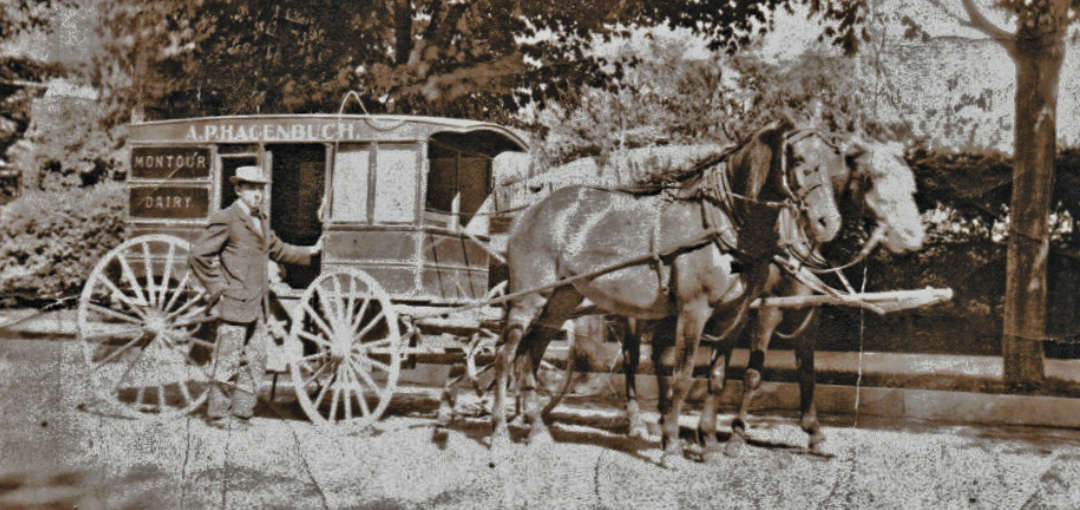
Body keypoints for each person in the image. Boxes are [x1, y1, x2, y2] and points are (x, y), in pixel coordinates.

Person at [188, 165, 322, 428]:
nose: (257, 193)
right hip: (234, 303)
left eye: (260, 188)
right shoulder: (226, 218)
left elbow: (279, 250)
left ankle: (241, 413)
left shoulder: (261, 219)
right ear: (238, 189)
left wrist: (313, 251)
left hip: (258, 305)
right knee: (227, 361)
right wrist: (218, 288)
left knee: (257, 360)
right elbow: (198, 255)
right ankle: (217, 415)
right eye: (251, 188)